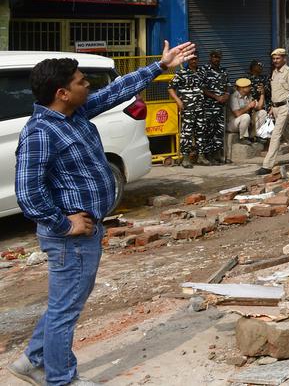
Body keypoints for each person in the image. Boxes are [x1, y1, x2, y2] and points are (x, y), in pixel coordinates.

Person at [8, 40, 194, 386]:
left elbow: (116, 91)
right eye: (81, 81)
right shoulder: (40, 132)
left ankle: (31, 361)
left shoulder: (73, 114)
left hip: (86, 229)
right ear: (63, 92)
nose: (88, 84)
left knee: (66, 300)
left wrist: (161, 66)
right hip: (71, 236)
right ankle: (60, 378)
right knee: (66, 309)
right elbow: (28, 192)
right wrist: (64, 224)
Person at [260, 48, 289, 175]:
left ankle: (267, 165)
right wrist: (271, 107)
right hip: (275, 108)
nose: (275, 61)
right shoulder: (274, 72)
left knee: (276, 134)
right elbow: (276, 92)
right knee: (288, 134)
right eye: (274, 59)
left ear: (284, 58)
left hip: (286, 107)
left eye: (278, 58)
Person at [167, 56, 208, 168]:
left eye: (196, 59)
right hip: (188, 107)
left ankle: (201, 156)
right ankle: (185, 158)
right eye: (192, 59)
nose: (194, 61)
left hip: (200, 107)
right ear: (188, 60)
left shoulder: (201, 72)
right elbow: (170, 87)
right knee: (187, 133)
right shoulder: (182, 73)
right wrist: (178, 101)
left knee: (201, 132)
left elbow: (203, 88)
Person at [228, 78, 262, 142]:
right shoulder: (233, 97)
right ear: (241, 88)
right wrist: (249, 106)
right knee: (246, 116)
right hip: (233, 123)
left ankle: (254, 136)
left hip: (245, 122)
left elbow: (259, 108)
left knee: (262, 113)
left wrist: (262, 94)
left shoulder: (248, 96)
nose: (250, 87)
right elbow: (237, 114)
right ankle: (243, 138)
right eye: (248, 86)